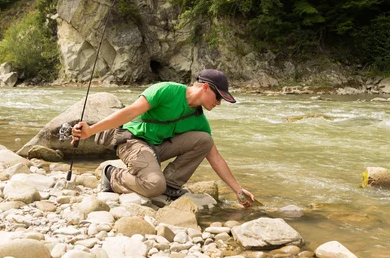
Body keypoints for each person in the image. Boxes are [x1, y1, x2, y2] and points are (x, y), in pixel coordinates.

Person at [71, 69, 255, 207]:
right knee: (153, 186)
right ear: (205, 87)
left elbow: (215, 158)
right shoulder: (166, 90)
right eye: (218, 97)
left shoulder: (199, 120)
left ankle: (170, 186)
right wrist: (91, 130)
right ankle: (112, 175)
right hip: (133, 141)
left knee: (205, 140)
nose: (218, 103)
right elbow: (129, 113)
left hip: (157, 146)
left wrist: (238, 190)